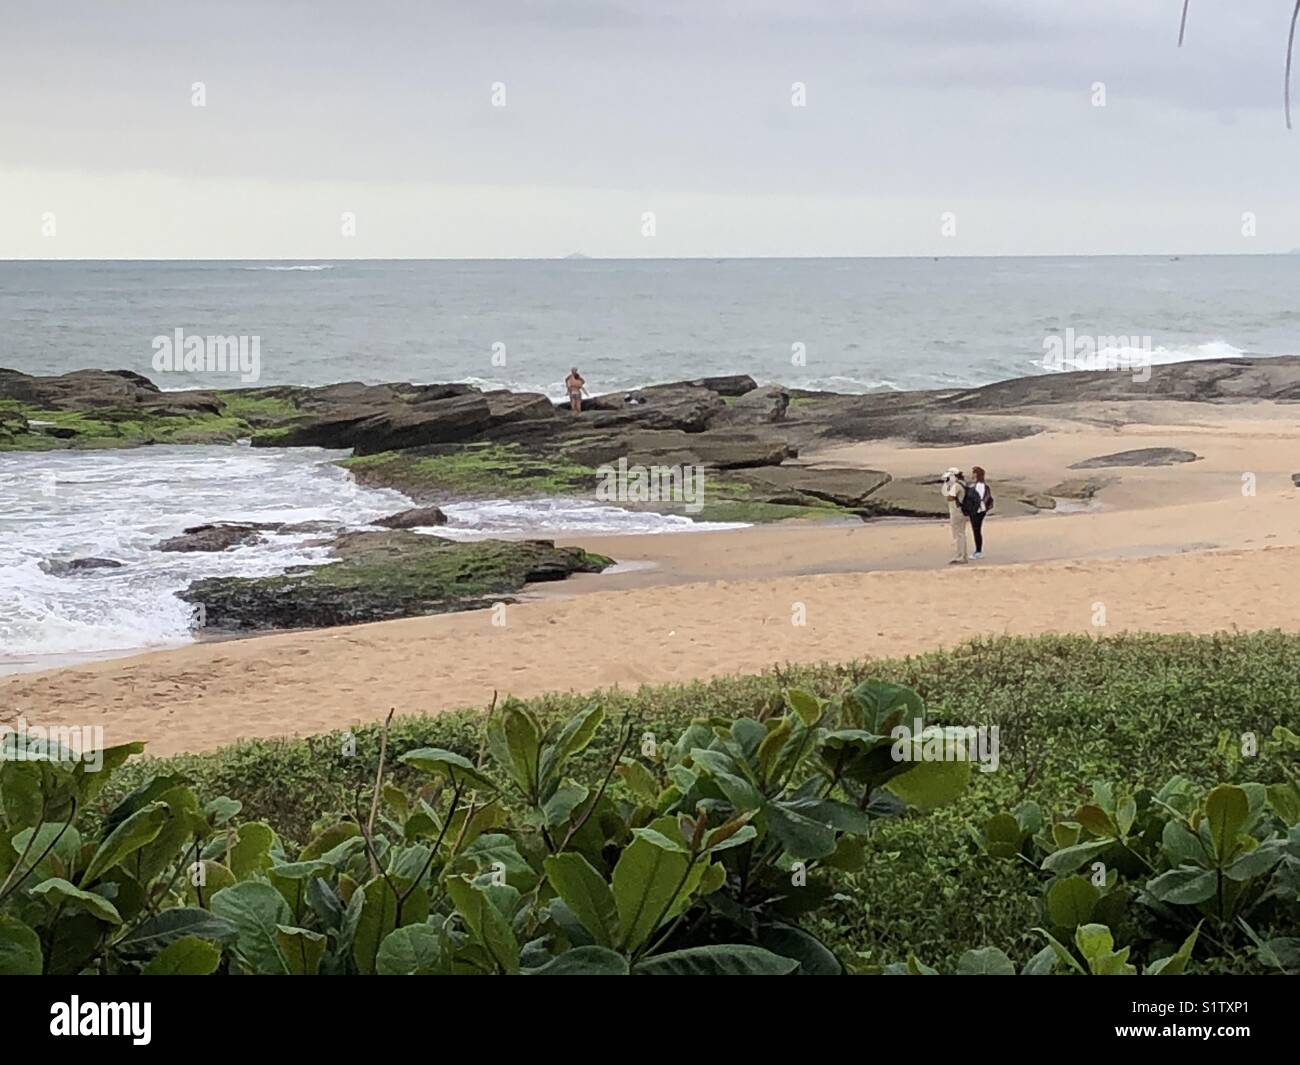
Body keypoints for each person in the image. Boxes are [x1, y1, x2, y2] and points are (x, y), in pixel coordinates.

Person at [942, 467, 969, 565]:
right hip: (963, 512)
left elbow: (949, 497)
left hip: (957, 512)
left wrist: (948, 486)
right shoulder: (963, 483)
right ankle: (962, 555)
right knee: (961, 534)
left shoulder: (956, 486)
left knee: (958, 535)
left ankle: (961, 556)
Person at [968, 465, 994, 559]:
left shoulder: (978, 486)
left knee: (976, 531)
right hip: (982, 510)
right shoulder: (984, 485)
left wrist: (972, 510)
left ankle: (978, 551)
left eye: (973, 473)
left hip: (977, 511)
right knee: (977, 530)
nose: (972, 475)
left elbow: (977, 499)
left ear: (976, 474)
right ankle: (978, 550)